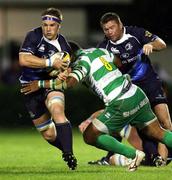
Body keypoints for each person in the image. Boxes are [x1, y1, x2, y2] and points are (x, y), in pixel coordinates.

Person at [21, 47, 172, 172]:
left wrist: (40, 84)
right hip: (136, 93)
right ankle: (134, 154)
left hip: (121, 102)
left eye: (63, 62)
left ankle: (133, 154)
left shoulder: (81, 62)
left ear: (69, 57)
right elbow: (118, 61)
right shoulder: (98, 51)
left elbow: (70, 83)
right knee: (158, 132)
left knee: (90, 135)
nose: (61, 66)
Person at [96, 12, 172, 164]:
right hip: (129, 91)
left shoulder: (135, 33)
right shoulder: (104, 48)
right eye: (106, 29)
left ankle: (163, 159)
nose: (109, 32)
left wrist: (150, 44)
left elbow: (162, 44)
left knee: (165, 122)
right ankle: (112, 158)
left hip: (149, 83)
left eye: (112, 27)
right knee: (133, 127)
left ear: (120, 25)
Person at [19, 7, 77, 170]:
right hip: (29, 88)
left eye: (51, 25)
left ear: (59, 26)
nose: (47, 28)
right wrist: (50, 63)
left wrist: (63, 73)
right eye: (45, 24)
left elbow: (67, 67)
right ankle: (64, 148)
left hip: (50, 86)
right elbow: (23, 59)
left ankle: (69, 153)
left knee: (57, 110)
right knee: (49, 134)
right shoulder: (33, 35)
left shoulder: (63, 43)